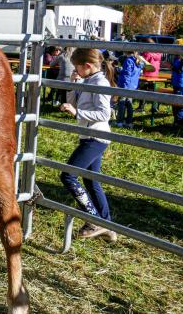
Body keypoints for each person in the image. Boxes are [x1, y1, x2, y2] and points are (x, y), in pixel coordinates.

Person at [59, 48, 117, 241]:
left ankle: (93, 219)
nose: (75, 70)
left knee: (68, 175)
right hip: (88, 136)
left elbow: (104, 114)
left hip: (96, 137)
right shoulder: (88, 81)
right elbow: (73, 101)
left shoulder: (100, 82)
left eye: (76, 67)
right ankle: (106, 225)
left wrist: (77, 113)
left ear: (87, 66)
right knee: (91, 180)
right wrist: (72, 84)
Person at [115, 51, 149, 129]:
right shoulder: (139, 60)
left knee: (122, 103)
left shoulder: (129, 60)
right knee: (129, 104)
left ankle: (120, 122)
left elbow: (127, 74)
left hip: (126, 85)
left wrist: (124, 85)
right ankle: (129, 122)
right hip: (133, 85)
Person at [136, 38, 162, 112]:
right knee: (153, 89)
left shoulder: (147, 53)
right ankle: (154, 106)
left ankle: (141, 106)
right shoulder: (158, 52)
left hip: (147, 73)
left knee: (143, 89)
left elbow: (143, 63)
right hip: (155, 73)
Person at [170, 39, 183, 132]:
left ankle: (181, 125)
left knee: (180, 104)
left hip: (182, 83)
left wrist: (170, 66)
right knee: (175, 104)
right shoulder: (177, 58)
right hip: (176, 82)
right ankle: (177, 122)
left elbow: (180, 70)